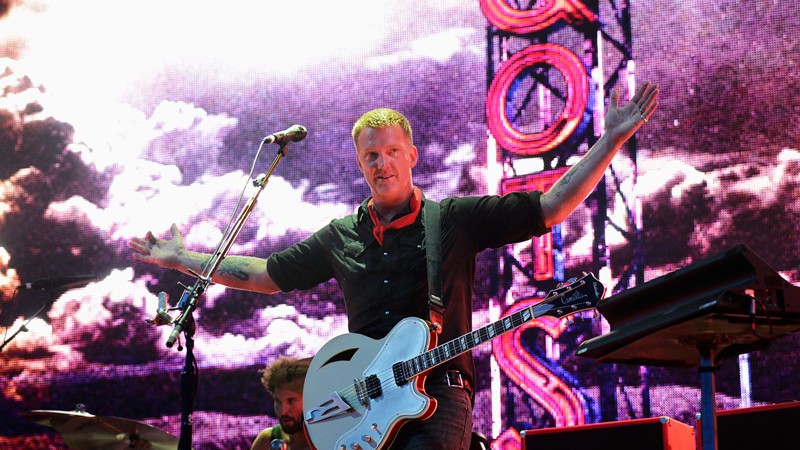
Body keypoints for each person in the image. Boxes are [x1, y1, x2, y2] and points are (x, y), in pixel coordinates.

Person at [130, 83, 658, 449]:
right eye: (370, 157)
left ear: (412, 156)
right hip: (361, 405)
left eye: (389, 152)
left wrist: (609, 139)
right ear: (361, 165)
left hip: (440, 392)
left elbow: (551, 206)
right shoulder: (341, 235)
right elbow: (266, 274)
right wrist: (181, 259)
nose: (381, 164)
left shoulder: (452, 220)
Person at [251, 356, 311, 450]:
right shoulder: (267, 440)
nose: (283, 411)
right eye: (278, 401)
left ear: (308, 398)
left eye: (291, 401)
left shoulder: (328, 439)